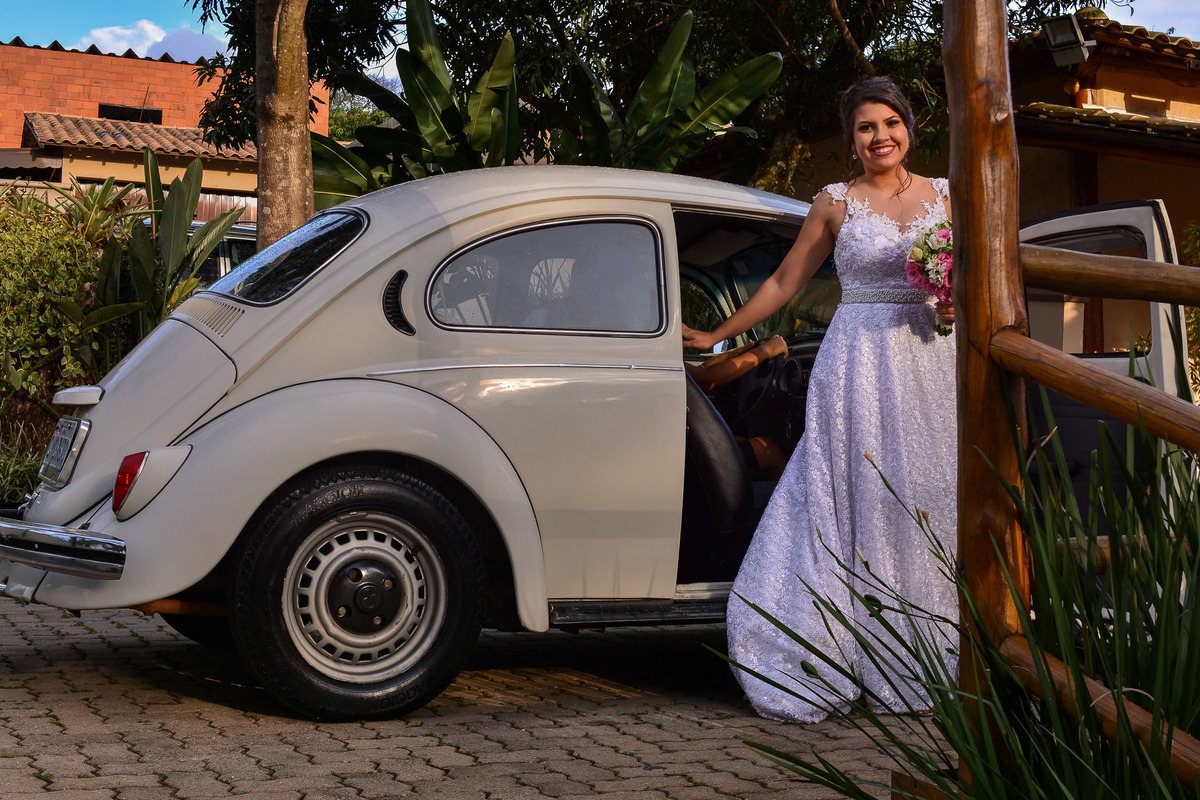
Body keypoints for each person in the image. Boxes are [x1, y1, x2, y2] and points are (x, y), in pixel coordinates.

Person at [682, 76, 957, 723]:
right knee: (859, 489)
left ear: (908, 129)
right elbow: (784, 279)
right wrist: (719, 332)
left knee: (927, 491)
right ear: (852, 140)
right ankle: (846, 646)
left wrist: (953, 298)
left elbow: (978, 271)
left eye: (890, 123)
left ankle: (932, 650)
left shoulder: (947, 195)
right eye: (866, 127)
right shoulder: (835, 203)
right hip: (857, 357)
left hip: (928, 355)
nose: (880, 136)